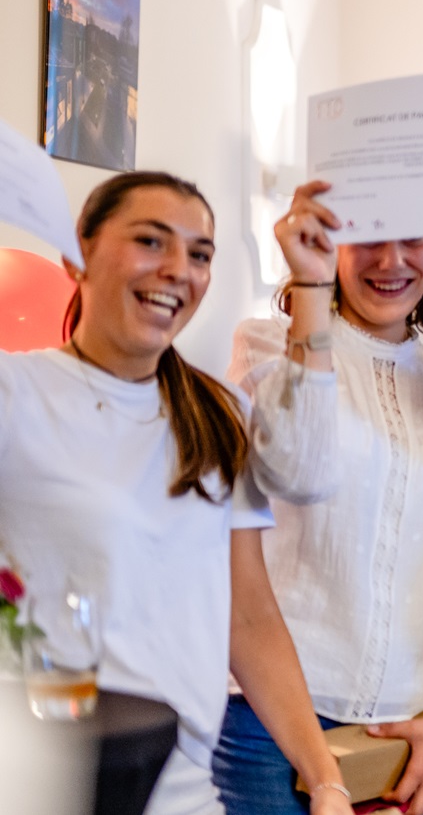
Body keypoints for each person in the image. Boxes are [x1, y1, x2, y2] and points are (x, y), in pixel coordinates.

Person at [0, 172, 352, 815]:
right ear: (77, 253)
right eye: (150, 242)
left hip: (183, 787)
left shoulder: (218, 414)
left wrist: (324, 776)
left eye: (199, 254)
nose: (177, 270)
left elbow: (248, 615)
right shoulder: (17, 394)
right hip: (44, 782)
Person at [216, 184, 423, 815]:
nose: (391, 260)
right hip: (270, 724)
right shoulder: (271, 344)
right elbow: (300, 469)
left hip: (413, 734)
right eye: (369, 236)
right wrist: (311, 293)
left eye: (414, 239)